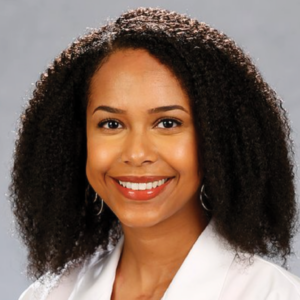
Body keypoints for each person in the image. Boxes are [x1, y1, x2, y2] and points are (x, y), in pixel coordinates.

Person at [11, 7, 300, 300]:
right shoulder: (48, 296)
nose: (136, 154)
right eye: (111, 124)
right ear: (76, 140)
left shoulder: (274, 295)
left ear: (218, 141)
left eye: (167, 123)